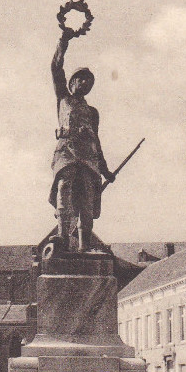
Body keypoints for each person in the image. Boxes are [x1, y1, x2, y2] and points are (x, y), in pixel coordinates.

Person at [49, 25, 115, 253]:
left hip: (88, 160)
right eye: (81, 79)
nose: (85, 84)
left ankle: (84, 246)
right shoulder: (63, 100)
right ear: (72, 82)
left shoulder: (93, 112)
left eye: (89, 82)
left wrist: (105, 170)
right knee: (64, 192)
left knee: (86, 203)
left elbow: (97, 142)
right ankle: (62, 239)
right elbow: (56, 67)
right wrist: (63, 40)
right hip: (66, 154)